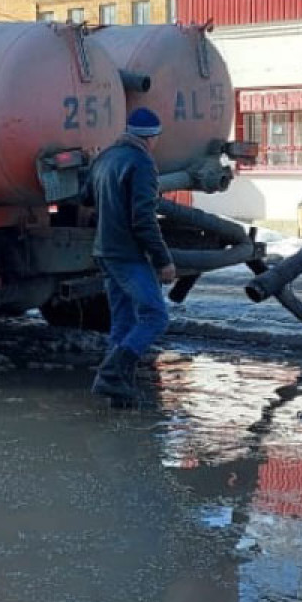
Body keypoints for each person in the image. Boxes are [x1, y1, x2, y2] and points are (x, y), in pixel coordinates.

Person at [86, 106, 177, 406]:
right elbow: (143, 219)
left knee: (122, 322)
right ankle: (111, 374)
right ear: (152, 138)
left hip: (105, 251)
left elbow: (86, 197)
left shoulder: (105, 157)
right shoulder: (141, 163)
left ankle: (117, 391)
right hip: (128, 254)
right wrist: (163, 260)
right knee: (155, 316)